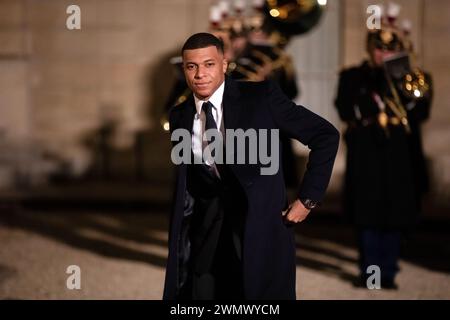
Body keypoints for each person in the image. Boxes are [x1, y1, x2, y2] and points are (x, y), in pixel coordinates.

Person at [163, 32, 339, 300]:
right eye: (192, 66)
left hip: (259, 227)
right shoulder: (180, 115)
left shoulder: (261, 96)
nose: (200, 74)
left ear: (224, 64)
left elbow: (325, 135)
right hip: (205, 237)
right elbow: (189, 183)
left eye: (209, 64)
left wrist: (307, 200)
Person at [334, 13, 432, 289]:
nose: (384, 53)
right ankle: (371, 275)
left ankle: (387, 273)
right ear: (370, 48)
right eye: (379, 48)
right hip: (367, 157)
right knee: (368, 216)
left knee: (395, 216)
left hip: (400, 158)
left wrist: (401, 80)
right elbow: (345, 109)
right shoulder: (354, 77)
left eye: (390, 49)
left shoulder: (414, 78)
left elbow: (421, 112)